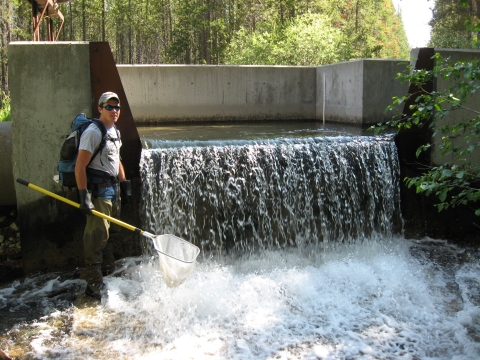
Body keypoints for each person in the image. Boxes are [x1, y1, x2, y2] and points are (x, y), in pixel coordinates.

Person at [75, 91, 132, 300]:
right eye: (109, 107)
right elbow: (80, 167)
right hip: (99, 192)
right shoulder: (93, 132)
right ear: (100, 109)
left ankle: (108, 271)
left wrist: (125, 184)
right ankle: (93, 285)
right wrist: (84, 197)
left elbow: (117, 160)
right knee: (95, 237)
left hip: (113, 189)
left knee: (110, 234)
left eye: (117, 107)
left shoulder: (114, 131)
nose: (114, 111)